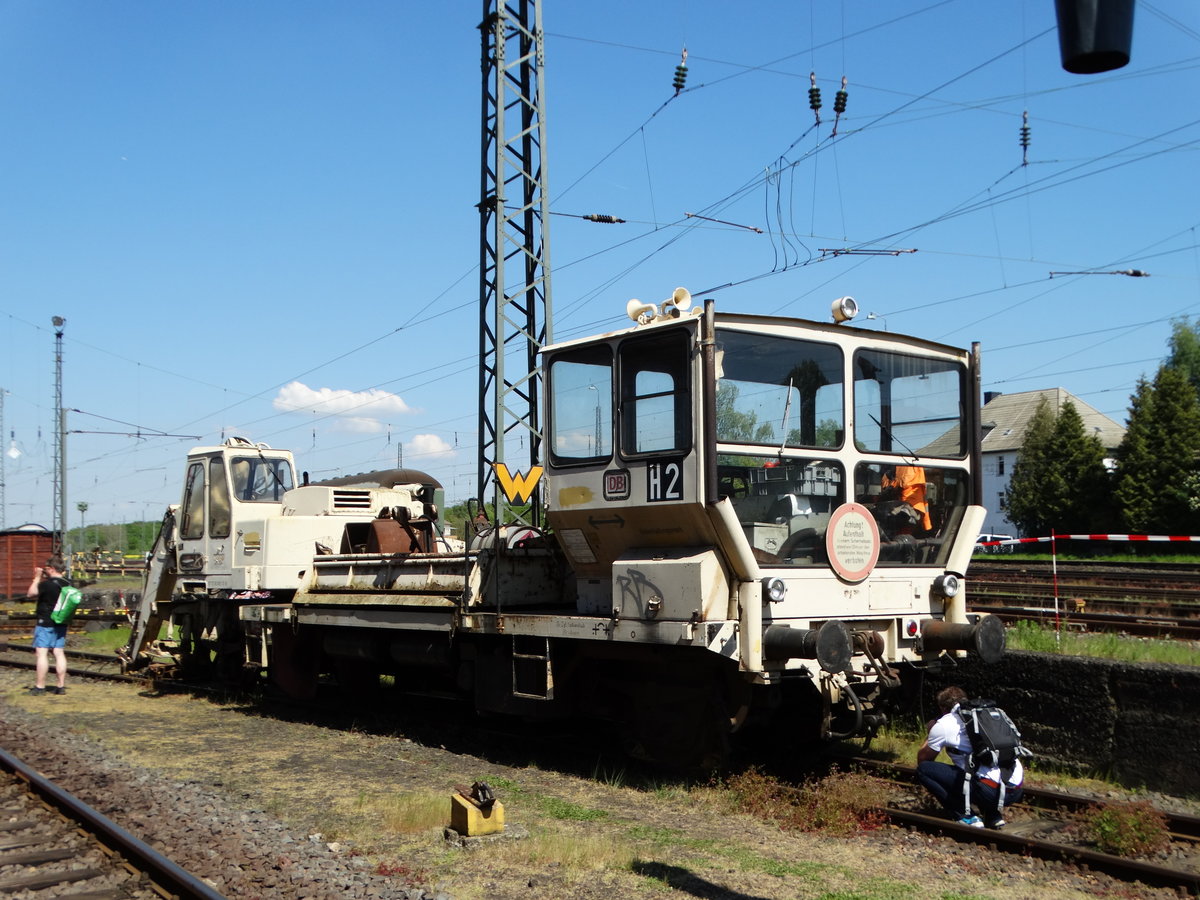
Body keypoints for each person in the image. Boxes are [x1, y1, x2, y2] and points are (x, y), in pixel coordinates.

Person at [916, 685, 1024, 829]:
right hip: (1016, 788)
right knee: (978, 768)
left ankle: (965, 815)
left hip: (990, 791)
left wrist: (930, 734)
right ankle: (993, 816)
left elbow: (923, 759)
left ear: (943, 708)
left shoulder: (944, 724)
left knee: (924, 770)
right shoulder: (986, 715)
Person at [26, 557, 71, 696]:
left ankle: (40, 687)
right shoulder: (68, 584)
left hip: (45, 622)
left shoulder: (47, 584)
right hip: (61, 621)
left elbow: (30, 593)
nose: (44, 570)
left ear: (51, 569)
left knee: (42, 653)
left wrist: (37, 578)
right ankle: (61, 686)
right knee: (59, 652)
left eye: (46, 568)